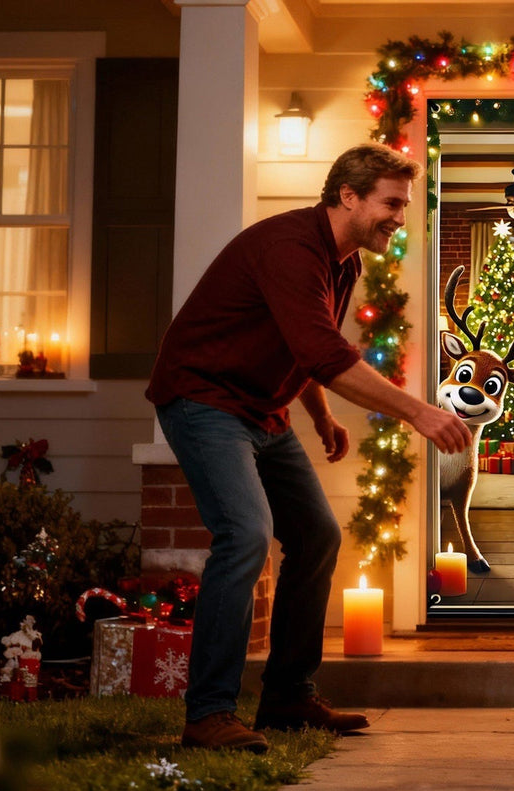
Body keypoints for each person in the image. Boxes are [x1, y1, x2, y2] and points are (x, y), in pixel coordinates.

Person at [146, 143, 472, 753]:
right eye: (391, 203)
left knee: (317, 536)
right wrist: (421, 413)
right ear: (348, 196)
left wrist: (319, 415)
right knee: (244, 535)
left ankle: (288, 695)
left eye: (403, 204)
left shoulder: (342, 260)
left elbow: (303, 346)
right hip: (204, 400)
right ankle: (208, 713)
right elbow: (325, 353)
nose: (400, 216)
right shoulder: (291, 248)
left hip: (261, 409)